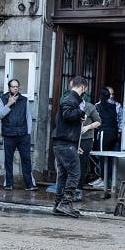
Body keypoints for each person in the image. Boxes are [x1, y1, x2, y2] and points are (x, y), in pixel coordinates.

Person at [50, 76, 87, 218]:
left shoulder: (71, 99)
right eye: (85, 89)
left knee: (64, 175)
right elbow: (67, 114)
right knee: (75, 172)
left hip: (64, 143)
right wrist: (80, 113)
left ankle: (58, 205)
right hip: (65, 143)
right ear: (83, 87)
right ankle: (65, 203)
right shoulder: (71, 99)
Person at [0, 78, 35, 190]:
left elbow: (28, 117)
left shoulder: (24, 100)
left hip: (23, 135)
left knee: (26, 159)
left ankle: (29, 184)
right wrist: (8, 104)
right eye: (13, 86)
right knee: (8, 160)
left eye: (17, 86)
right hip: (8, 135)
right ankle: (9, 184)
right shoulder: (2, 99)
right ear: (9, 88)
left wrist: (28, 133)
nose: (15, 88)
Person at [95, 85, 123, 198]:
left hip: (104, 133)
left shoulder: (98, 106)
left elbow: (95, 121)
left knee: (103, 157)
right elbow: (118, 120)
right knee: (111, 157)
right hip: (114, 133)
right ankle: (109, 181)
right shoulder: (115, 106)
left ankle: (104, 180)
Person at [77, 94, 102, 198]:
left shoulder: (90, 107)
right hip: (72, 138)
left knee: (81, 164)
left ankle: (78, 190)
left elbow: (99, 122)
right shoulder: (70, 106)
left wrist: (88, 127)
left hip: (86, 139)